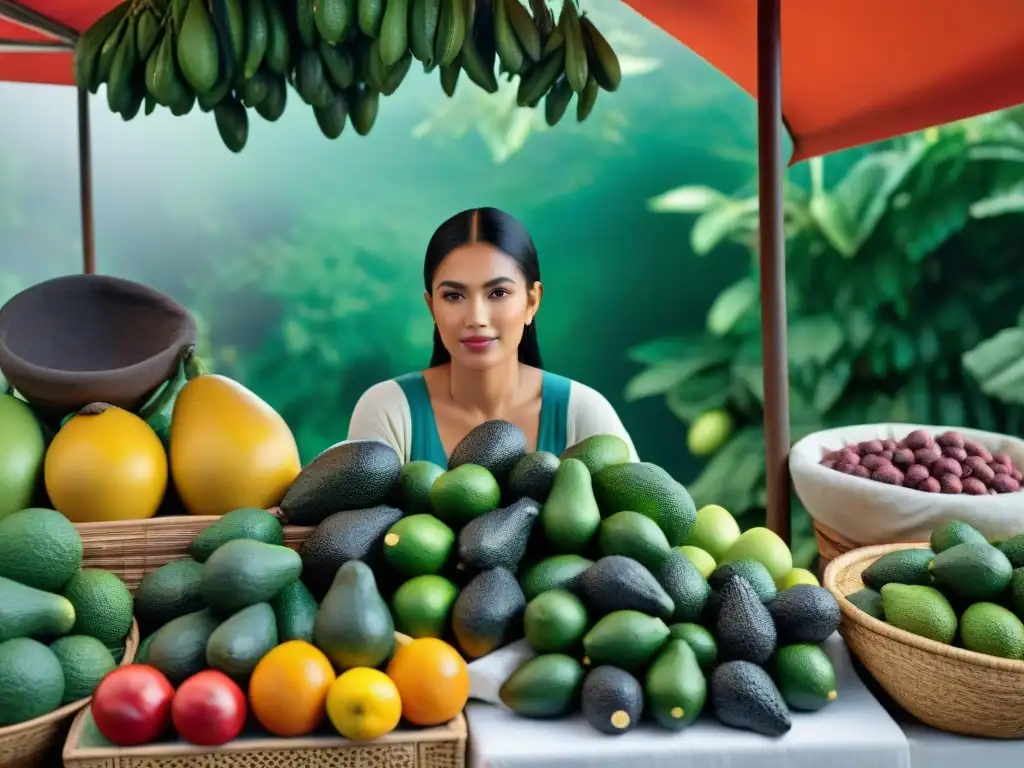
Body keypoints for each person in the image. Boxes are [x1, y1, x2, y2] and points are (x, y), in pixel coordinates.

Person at [347, 207, 638, 465]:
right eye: (454, 295)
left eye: (498, 293)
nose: (476, 318)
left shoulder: (583, 412)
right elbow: (357, 524)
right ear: (431, 306)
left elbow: (642, 521)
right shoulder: (387, 410)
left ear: (532, 301)